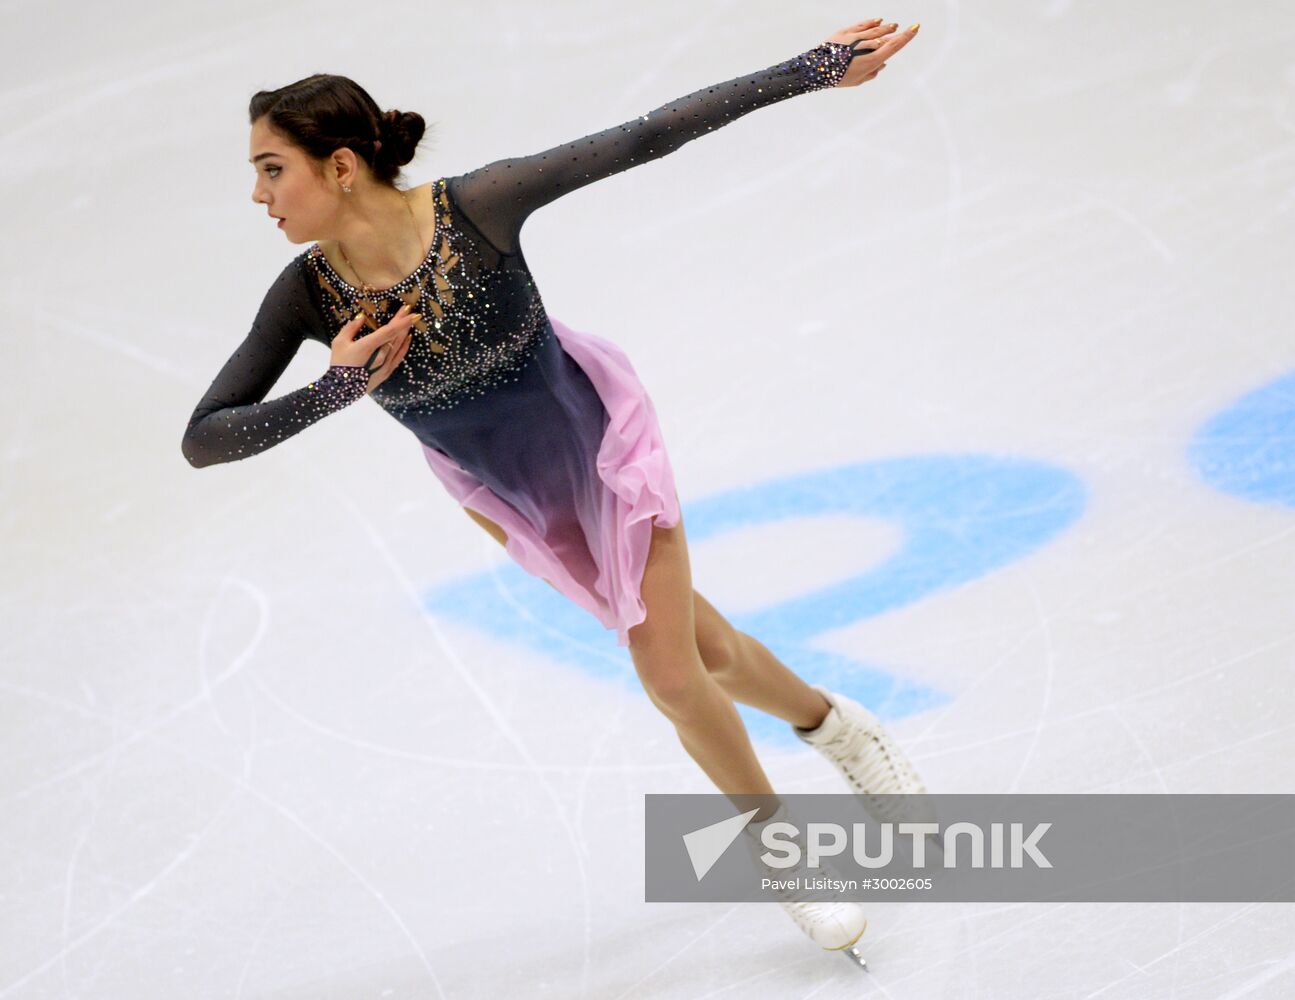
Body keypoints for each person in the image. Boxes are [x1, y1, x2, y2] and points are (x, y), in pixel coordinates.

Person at [183, 18, 929, 962]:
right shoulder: (307, 296)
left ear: (338, 167)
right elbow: (203, 441)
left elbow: (645, 135)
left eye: (271, 168)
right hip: (512, 500)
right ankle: (838, 726)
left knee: (666, 674)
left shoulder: (476, 208)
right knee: (706, 649)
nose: (257, 194)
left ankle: (788, 858)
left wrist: (810, 70)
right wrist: (336, 387)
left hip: (603, 450)